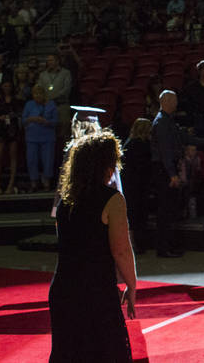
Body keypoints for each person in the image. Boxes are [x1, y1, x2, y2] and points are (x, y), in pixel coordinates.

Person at [49, 131, 136, 362]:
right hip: (95, 290)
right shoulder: (112, 199)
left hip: (63, 288)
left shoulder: (65, 201)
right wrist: (132, 283)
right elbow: (121, 250)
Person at [150, 90, 204, 257]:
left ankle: (169, 245)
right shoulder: (161, 122)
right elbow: (165, 150)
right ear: (166, 101)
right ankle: (163, 247)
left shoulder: (168, 121)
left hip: (167, 168)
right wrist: (172, 174)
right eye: (174, 101)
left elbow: (182, 137)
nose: (176, 104)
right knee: (165, 210)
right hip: (164, 169)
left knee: (170, 209)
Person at [121, 118, 153, 255]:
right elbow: (143, 167)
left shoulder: (128, 143)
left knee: (132, 215)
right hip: (137, 185)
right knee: (138, 215)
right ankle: (137, 244)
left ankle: (133, 243)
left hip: (130, 184)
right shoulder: (141, 145)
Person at [23, 84, 59, 192]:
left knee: (47, 160)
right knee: (31, 160)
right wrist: (32, 119)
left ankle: (46, 182)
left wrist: (46, 122)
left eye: (40, 93)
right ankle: (34, 183)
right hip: (31, 137)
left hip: (47, 137)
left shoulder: (51, 105)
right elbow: (23, 120)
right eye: (35, 93)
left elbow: (56, 122)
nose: (38, 95)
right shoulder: (29, 105)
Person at [0, 80, 20, 195]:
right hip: (0, 128)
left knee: (13, 156)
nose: (7, 88)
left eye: (9, 86)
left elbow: (19, 113)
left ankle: (11, 184)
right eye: (5, 85)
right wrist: (0, 117)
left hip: (12, 128)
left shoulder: (16, 99)